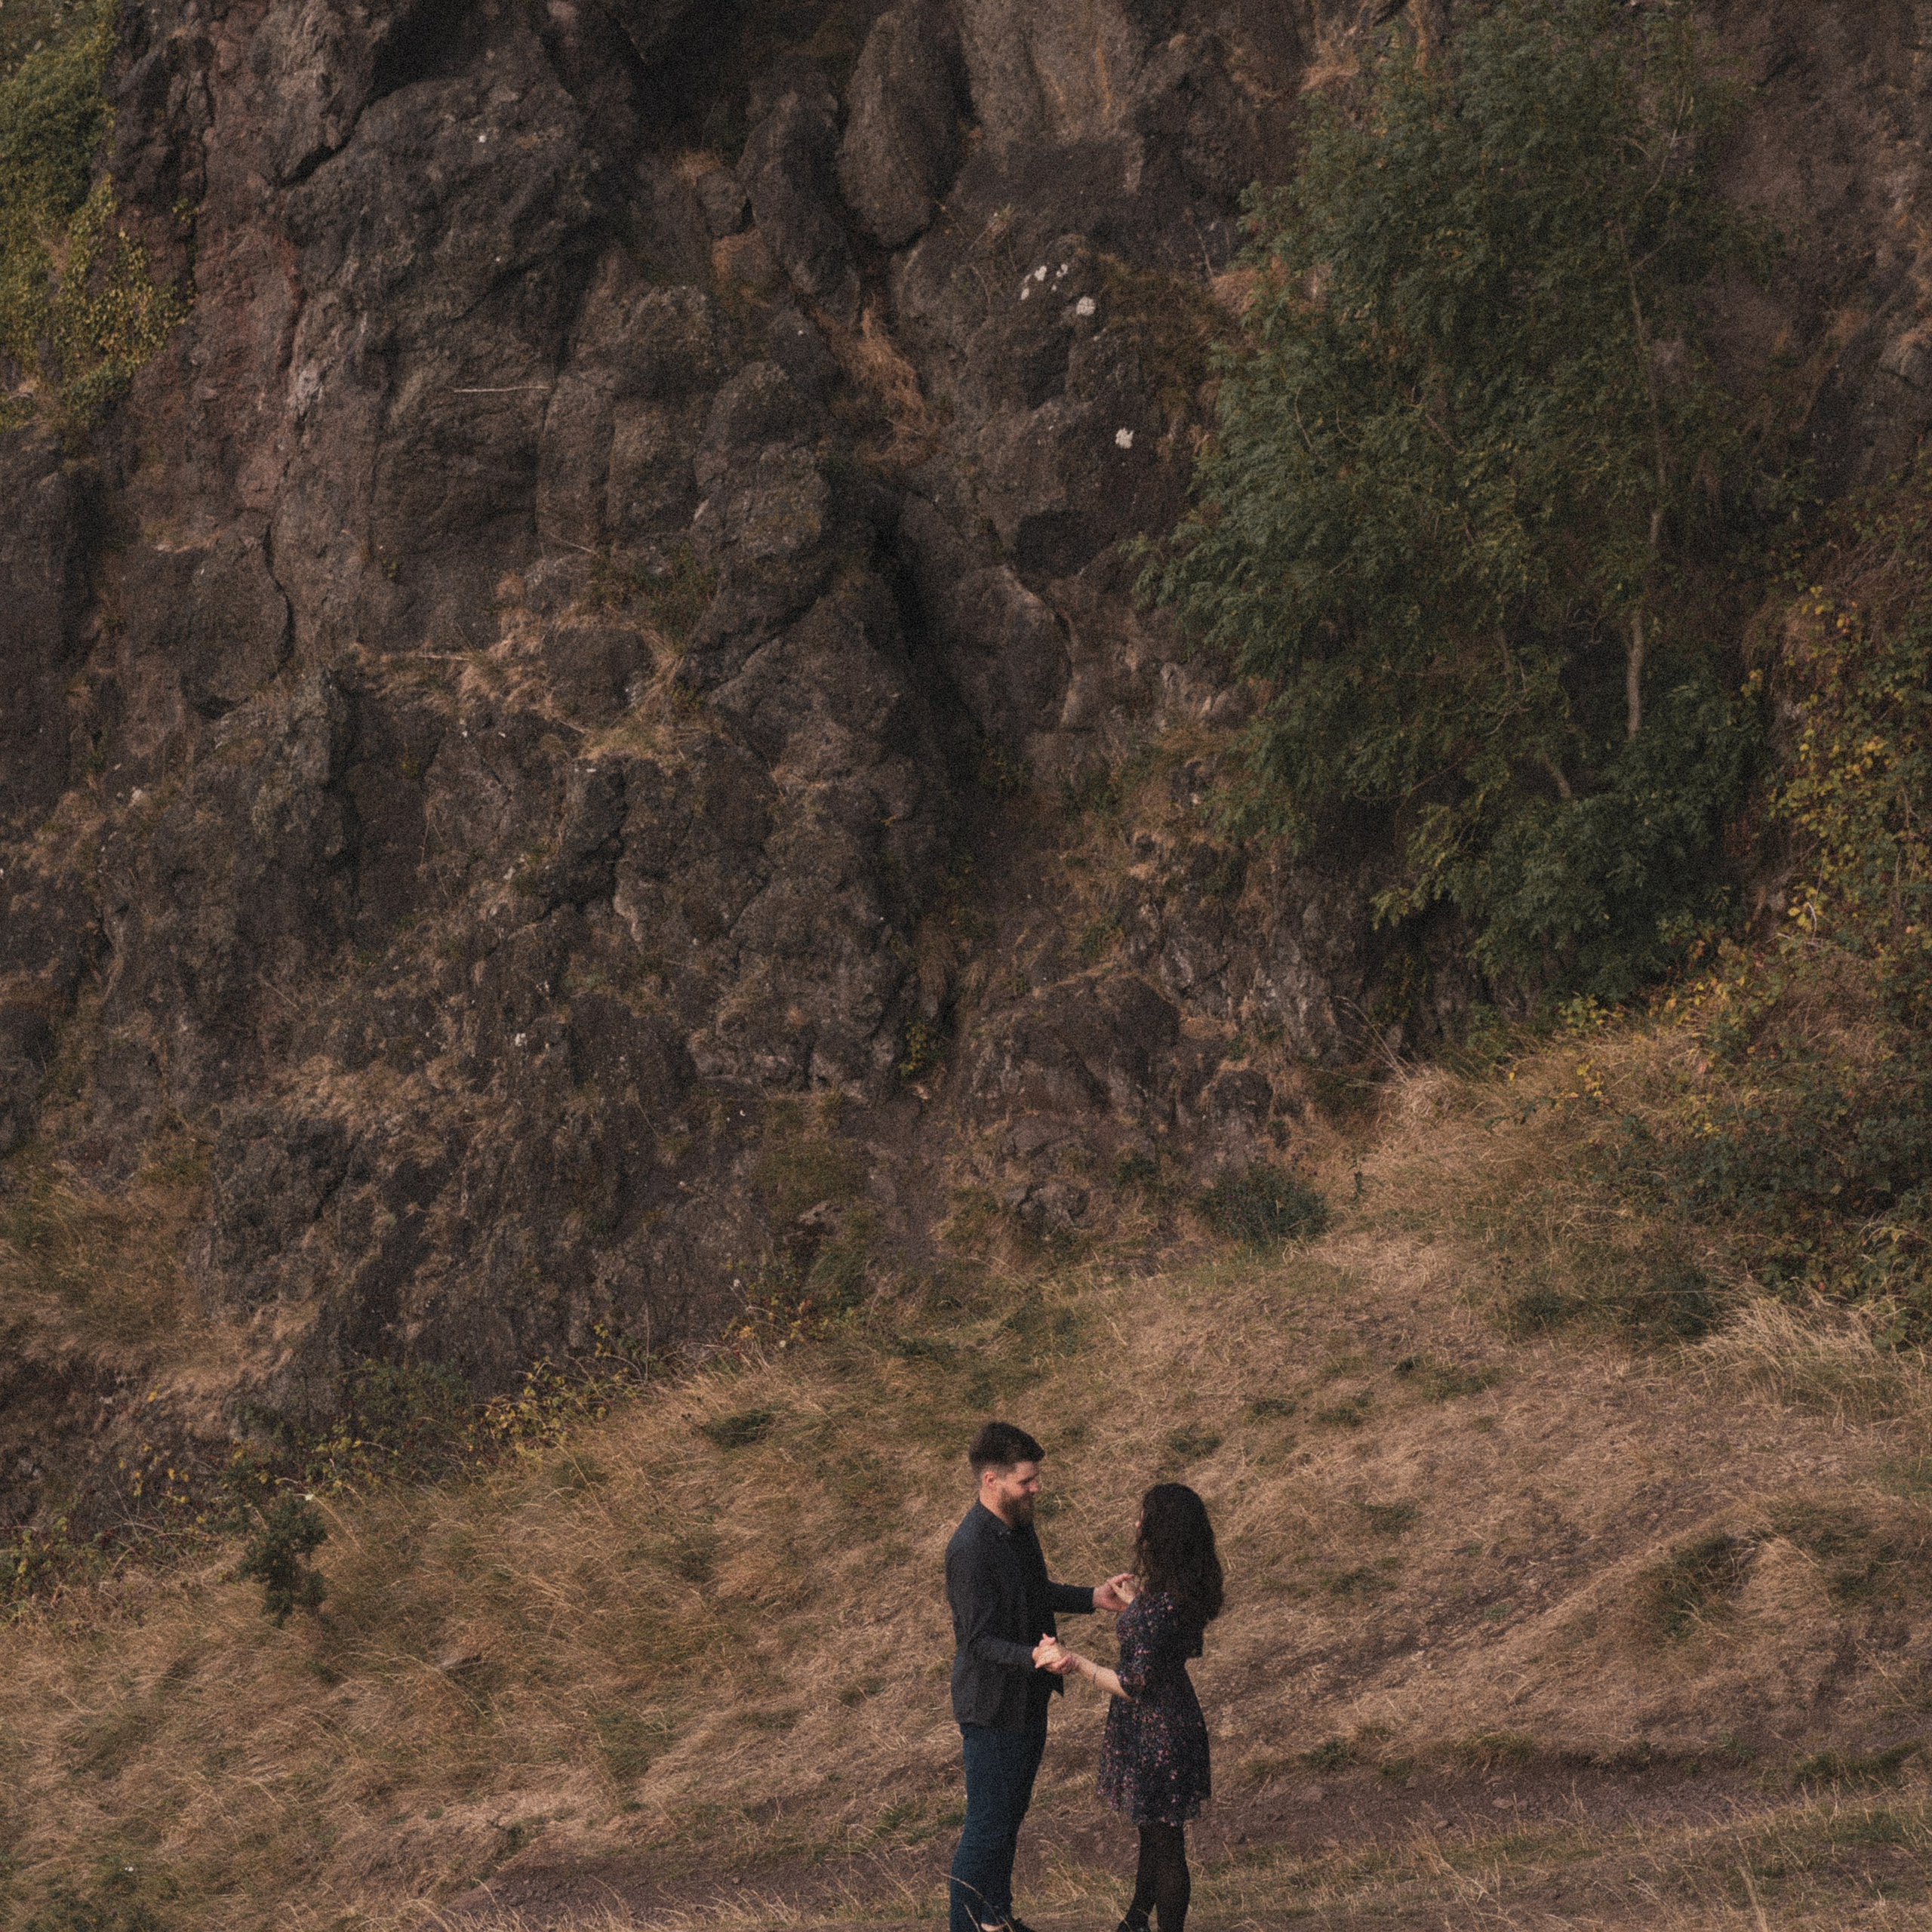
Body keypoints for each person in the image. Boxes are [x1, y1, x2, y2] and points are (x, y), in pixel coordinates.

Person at [944, 1420, 1134, 1932]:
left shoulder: (1019, 1525)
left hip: (1028, 1701)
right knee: (986, 1829)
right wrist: (1034, 1655)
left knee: (1009, 1817)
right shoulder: (969, 1549)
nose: (1036, 1488)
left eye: (1035, 1478)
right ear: (991, 1480)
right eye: (1026, 1480)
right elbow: (977, 1641)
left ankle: (995, 1919)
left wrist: (1091, 1597)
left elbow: (1033, 1590)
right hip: (990, 1709)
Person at [1035, 1483, 1224, 1932]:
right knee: (1155, 1835)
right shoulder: (1175, 1594)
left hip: (1155, 1731)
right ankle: (1137, 1919)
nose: (1137, 1524)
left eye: (1145, 1517)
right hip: (1169, 1720)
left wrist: (1075, 1662)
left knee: (1165, 1842)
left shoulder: (1162, 1606)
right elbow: (1158, 1645)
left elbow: (1132, 1683)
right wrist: (1136, 1605)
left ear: (1163, 1531)